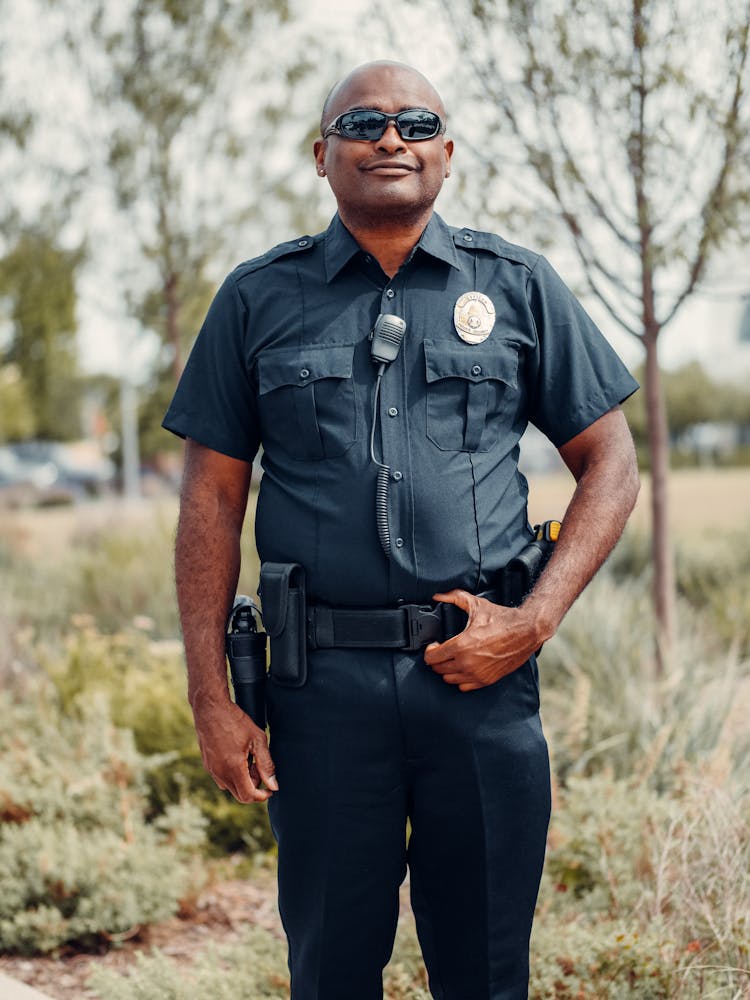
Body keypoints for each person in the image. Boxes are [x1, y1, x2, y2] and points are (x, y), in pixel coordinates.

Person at [164, 60, 640, 1000]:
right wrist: (212, 699)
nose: (391, 137)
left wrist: (533, 621)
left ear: (448, 154)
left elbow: (613, 464)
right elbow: (211, 501)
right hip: (322, 696)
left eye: (416, 122)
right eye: (364, 122)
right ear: (322, 155)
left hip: (480, 677)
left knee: (488, 970)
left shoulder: (517, 286)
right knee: (332, 969)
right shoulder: (257, 298)